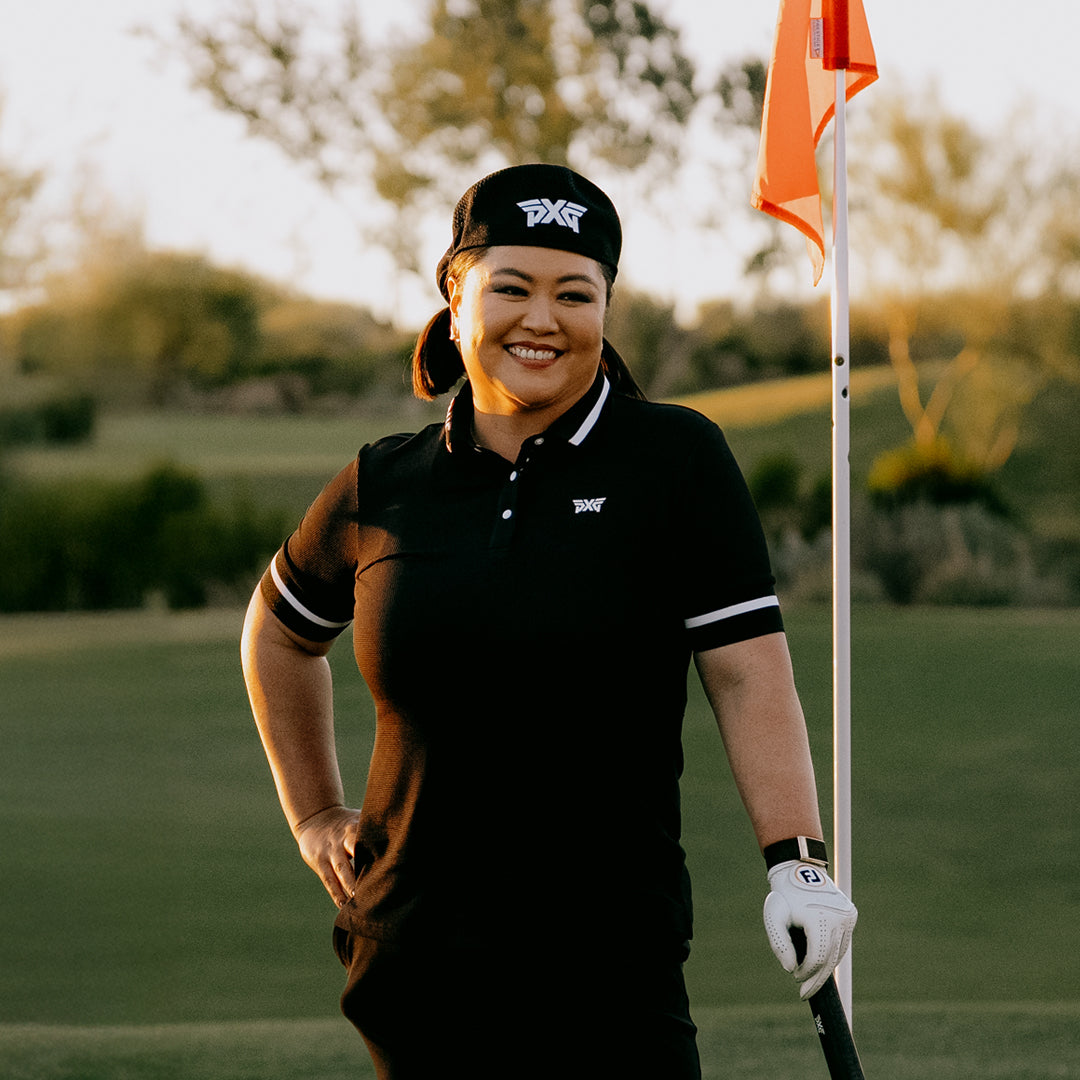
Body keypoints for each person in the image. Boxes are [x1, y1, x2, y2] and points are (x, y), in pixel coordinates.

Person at [240, 163, 856, 1079]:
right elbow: (280, 633)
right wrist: (315, 814)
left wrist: (797, 861)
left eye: (575, 293)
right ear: (456, 300)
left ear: (605, 310)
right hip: (416, 963)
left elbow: (746, 672)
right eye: (512, 288)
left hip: (610, 964)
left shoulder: (675, 460)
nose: (542, 319)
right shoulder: (385, 482)